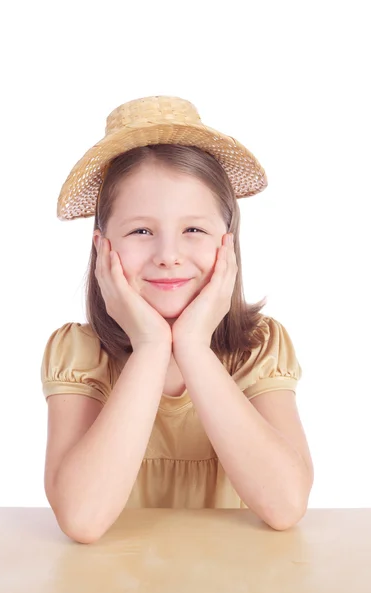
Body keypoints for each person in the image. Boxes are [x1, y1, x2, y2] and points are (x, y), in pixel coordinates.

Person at [41, 95, 314, 543]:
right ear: (102, 248)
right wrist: (151, 347)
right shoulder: (79, 354)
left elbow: (285, 505)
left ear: (228, 244)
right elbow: (82, 519)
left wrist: (191, 347)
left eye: (194, 230)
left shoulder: (260, 346)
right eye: (141, 231)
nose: (168, 256)